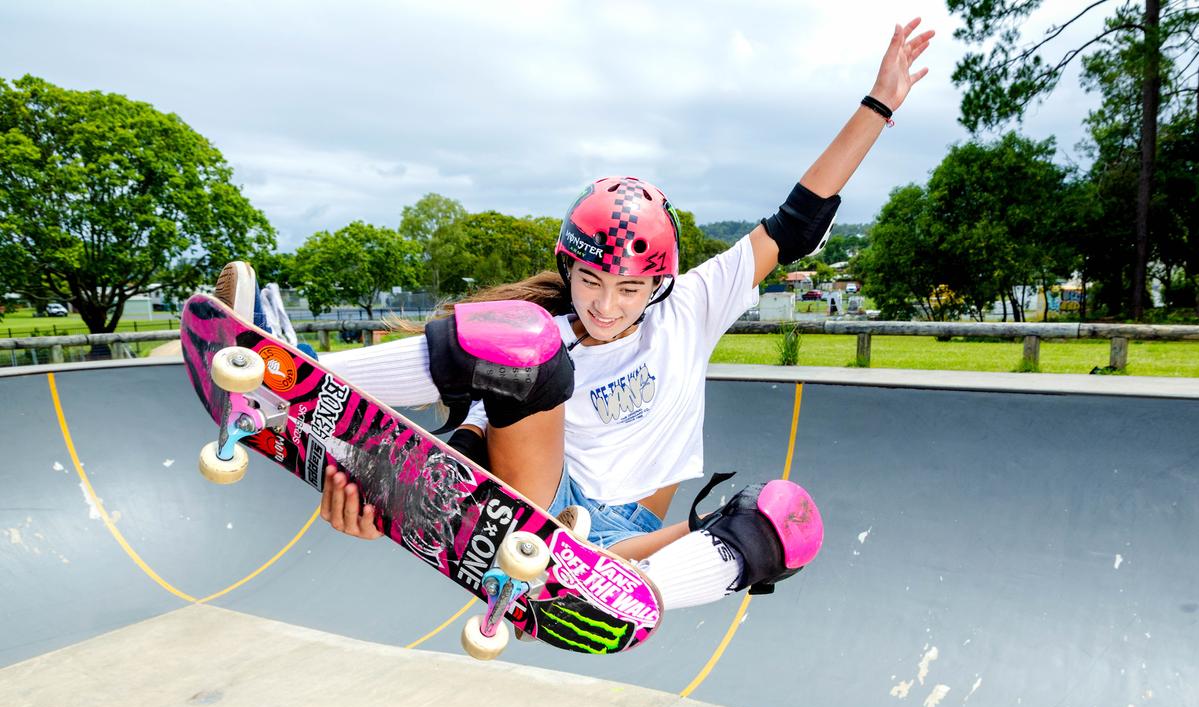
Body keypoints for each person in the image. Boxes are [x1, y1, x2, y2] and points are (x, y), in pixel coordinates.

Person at [219, 19, 932, 609]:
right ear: (568, 266)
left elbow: (797, 221)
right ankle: (285, 371)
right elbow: (470, 452)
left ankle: (619, 596)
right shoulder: (543, 338)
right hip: (534, 501)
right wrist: (386, 495)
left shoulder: (692, 305)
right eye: (591, 280)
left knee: (780, 521)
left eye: (630, 290)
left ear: (660, 284)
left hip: (621, 544)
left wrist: (879, 104)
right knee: (526, 348)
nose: (606, 304)